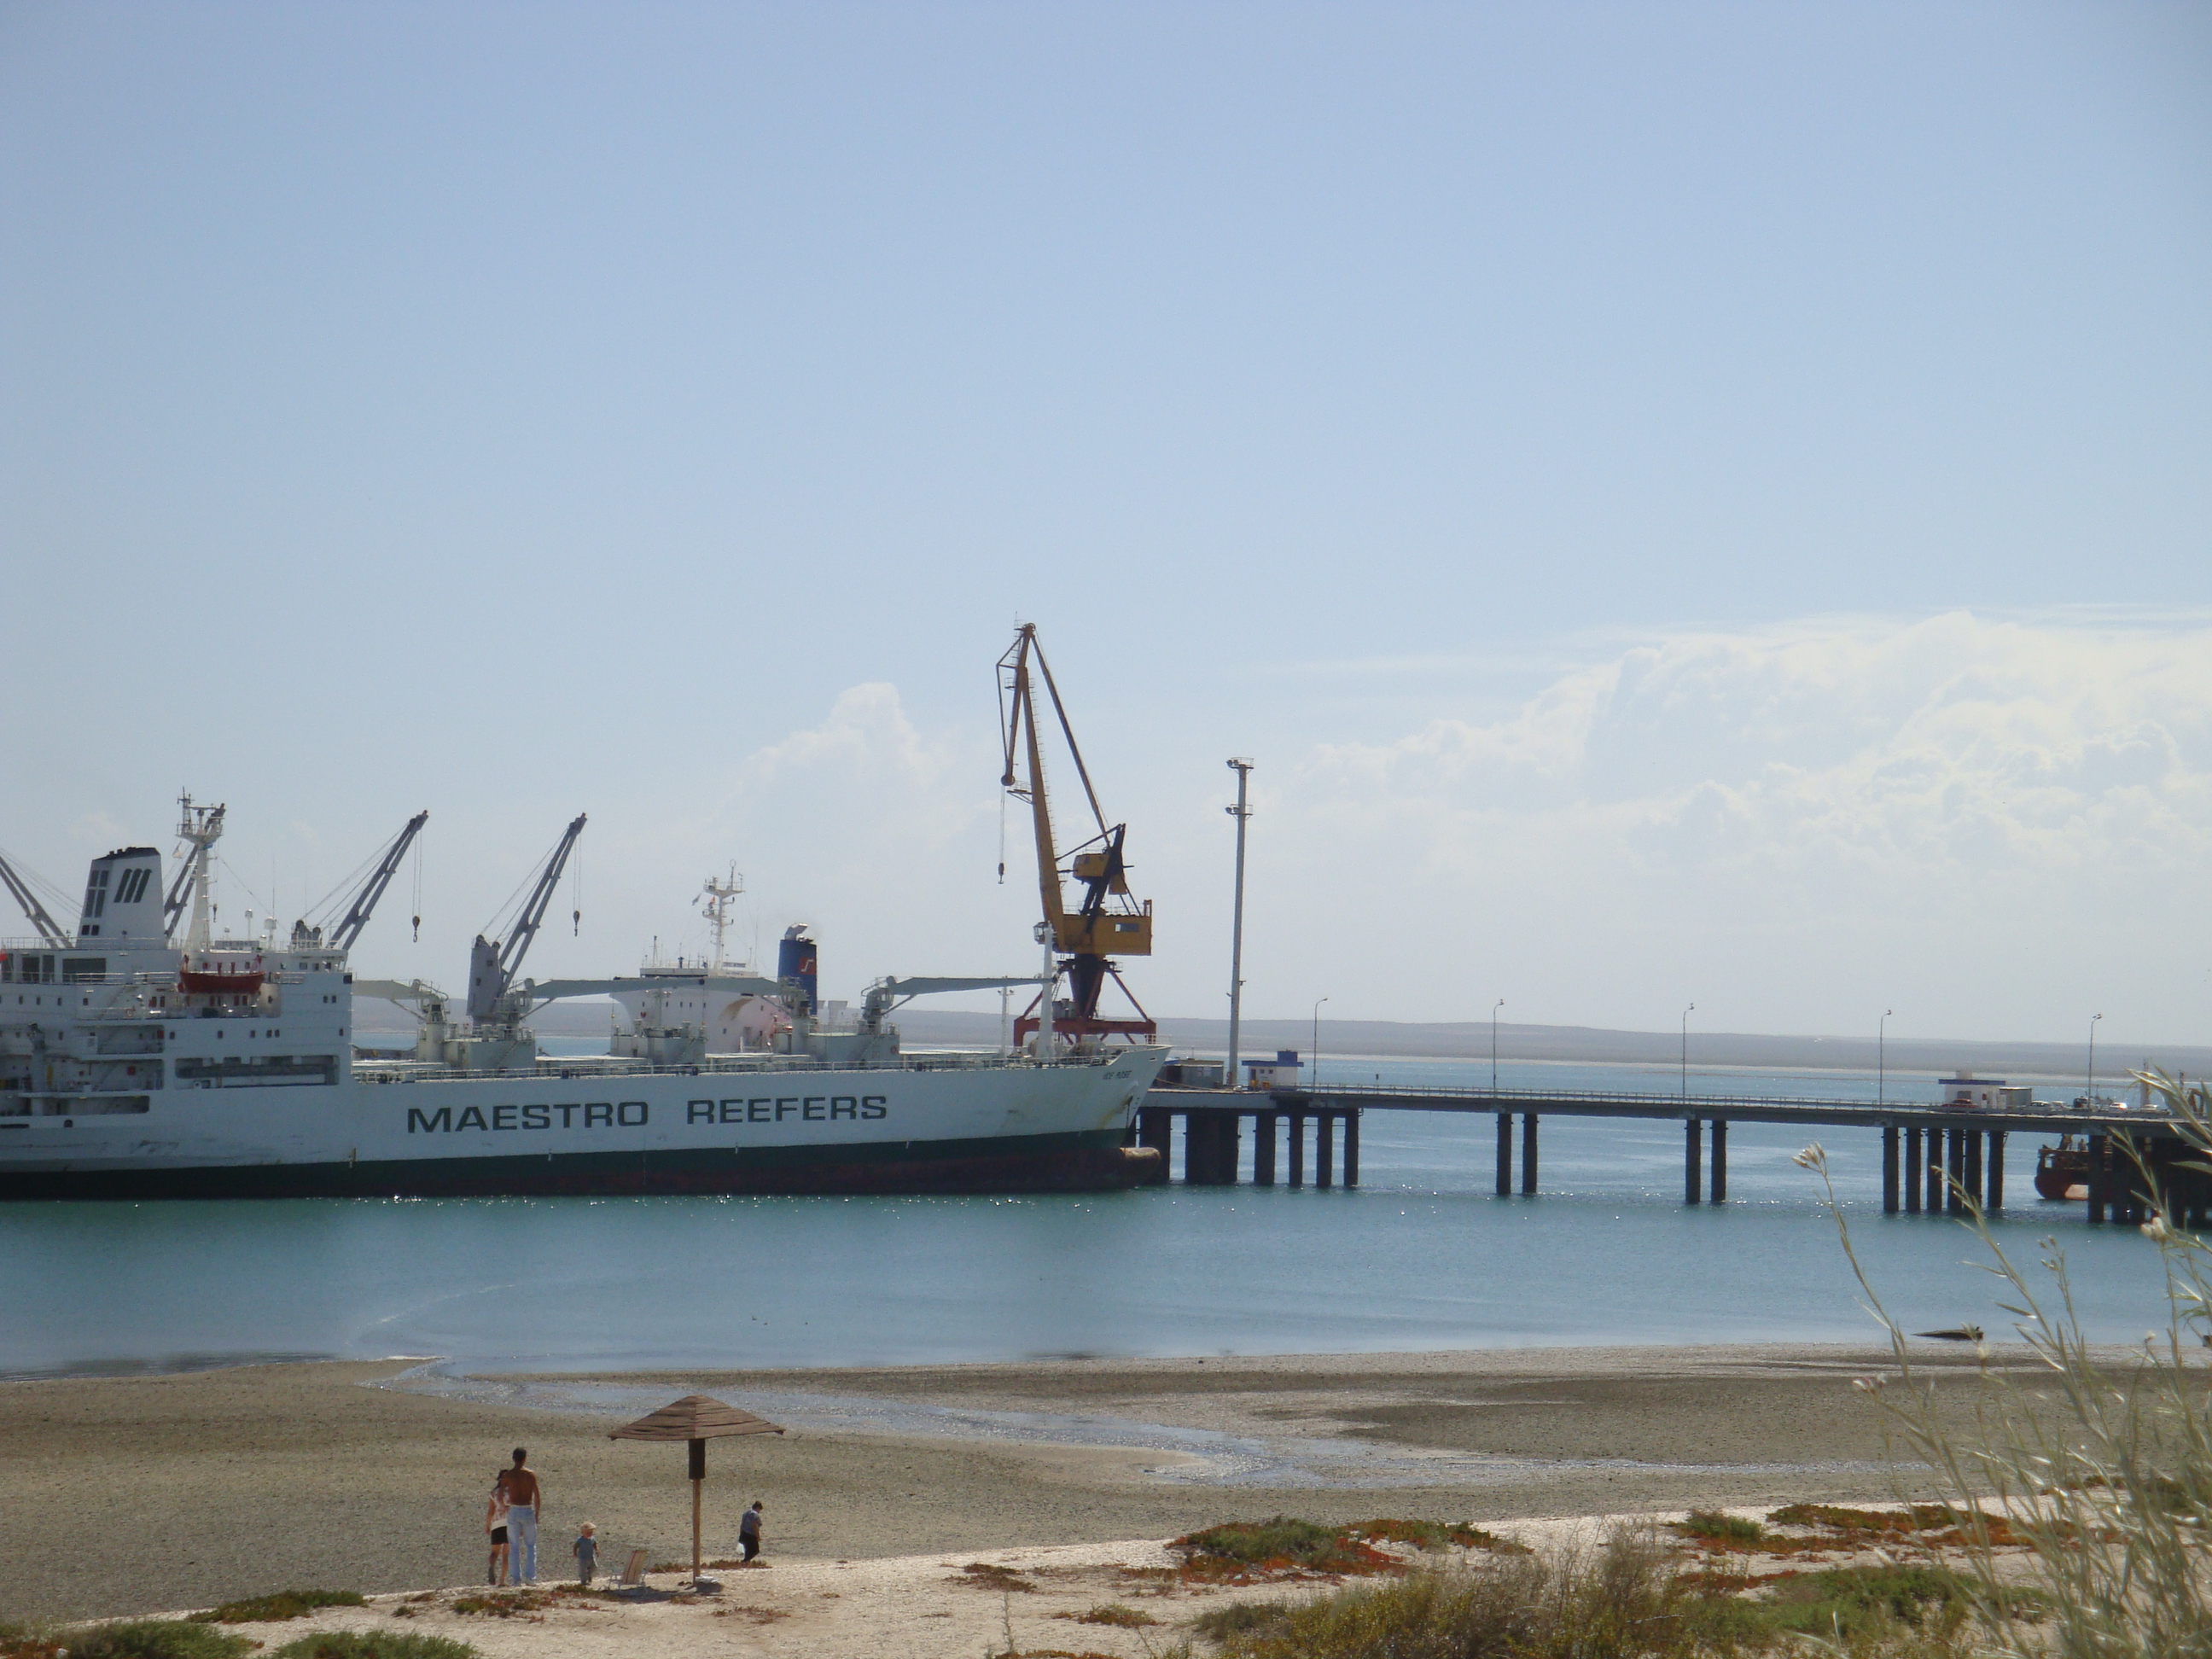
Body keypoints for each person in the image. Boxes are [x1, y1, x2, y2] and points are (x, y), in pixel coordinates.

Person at [496, 1447, 543, 1585]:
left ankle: (516, 1579)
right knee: (530, 1545)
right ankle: (530, 1577)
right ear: (525, 1458)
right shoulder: (530, 1475)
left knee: (514, 1546)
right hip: (527, 1508)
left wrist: (504, 1507)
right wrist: (537, 1513)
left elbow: (499, 1494)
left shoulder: (508, 1475)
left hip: (514, 1509)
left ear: (513, 1458)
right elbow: (537, 1495)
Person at [484, 1478, 510, 1587]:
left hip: (496, 1524)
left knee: (494, 1552)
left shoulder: (494, 1493)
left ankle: (492, 1565)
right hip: (509, 1523)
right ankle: (502, 1580)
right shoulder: (512, 1492)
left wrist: (488, 1525)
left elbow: (491, 1511)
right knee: (506, 1553)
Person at [573, 1522, 600, 1586]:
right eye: (588, 1533)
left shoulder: (592, 1538)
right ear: (582, 1532)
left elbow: (594, 1544)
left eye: (591, 1532)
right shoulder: (580, 1540)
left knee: (594, 1567)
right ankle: (584, 1581)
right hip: (583, 1557)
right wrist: (575, 1553)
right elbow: (575, 1546)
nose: (589, 1534)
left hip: (591, 1556)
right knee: (583, 1569)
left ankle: (589, 1576)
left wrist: (597, 1550)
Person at [739, 1499, 765, 1564]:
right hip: (751, 1535)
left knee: (748, 1550)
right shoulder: (755, 1514)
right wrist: (758, 1536)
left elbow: (742, 1525)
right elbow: (754, 1525)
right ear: (758, 1508)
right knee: (755, 1550)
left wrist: (741, 1534)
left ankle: (746, 1562)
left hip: (744, 1533)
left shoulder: (745, 1513)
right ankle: (745, 1561)